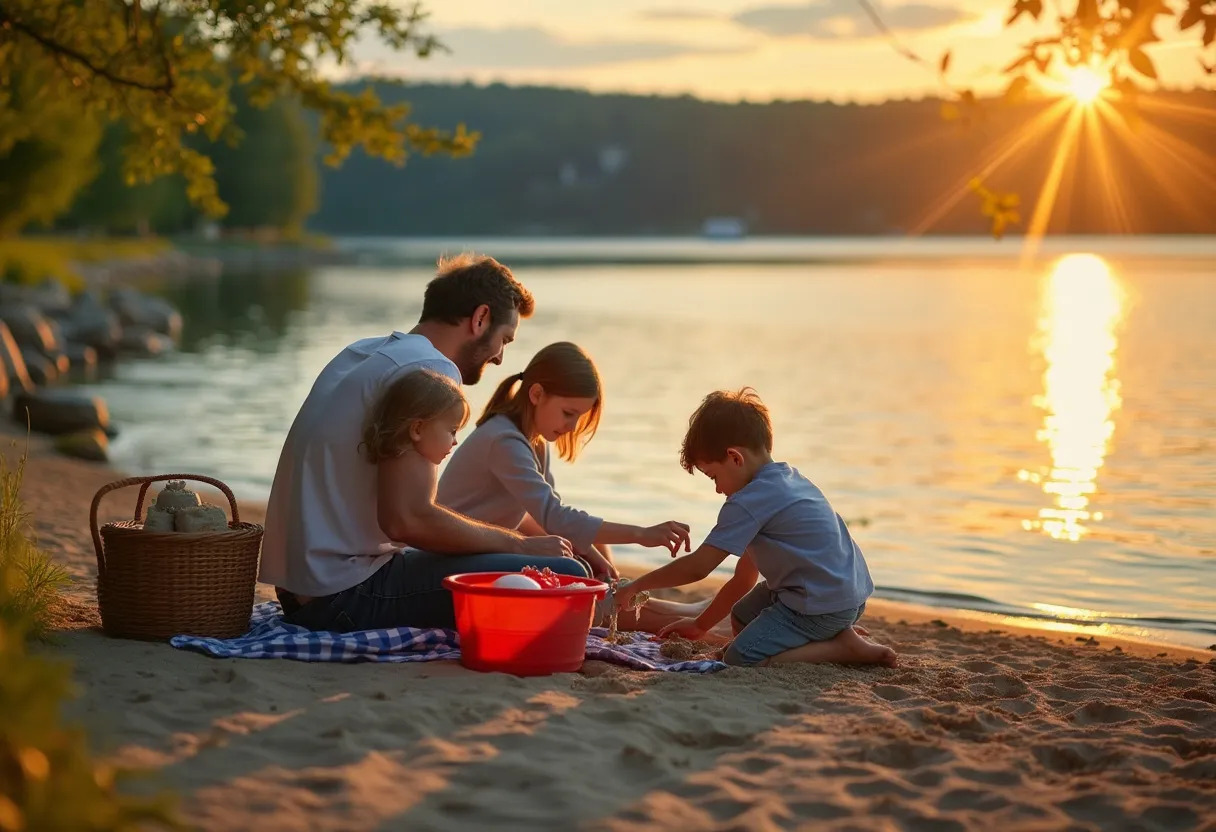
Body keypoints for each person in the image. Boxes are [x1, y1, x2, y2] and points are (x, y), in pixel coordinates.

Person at [258, 255, 586, 633]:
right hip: (345, 596)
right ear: (479, 319)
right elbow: (406, 519)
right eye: (504, 339)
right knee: (565, 575)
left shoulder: (363, 353)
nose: (500, 357)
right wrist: (520, 546)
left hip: (301, 589)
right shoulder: (431, 372)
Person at [615, 388, 897, 667]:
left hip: (818, 606)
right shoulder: (788, 480)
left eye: (713, 476)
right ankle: (824, 636)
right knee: (741, 614)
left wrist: (639, 585)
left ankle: (840, 648)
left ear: (735, 458)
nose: (717, 489)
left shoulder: (747, 502)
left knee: (741, 657)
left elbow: (698, 567)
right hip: (846, 596)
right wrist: (700, 625)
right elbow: (744, 578)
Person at [438, 341, 707, 632]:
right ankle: (679, 616)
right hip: (457, 560)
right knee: (572, 572)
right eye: (568, 413)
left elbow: (553, 519)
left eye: (579, 416)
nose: (572, 426)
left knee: (593, 546)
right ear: (537, 394)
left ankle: (648, 606)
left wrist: (591, 552)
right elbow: (555, 516)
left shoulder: (532, 441)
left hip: (487, 548)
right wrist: (640, 534)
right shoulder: (503, 440)